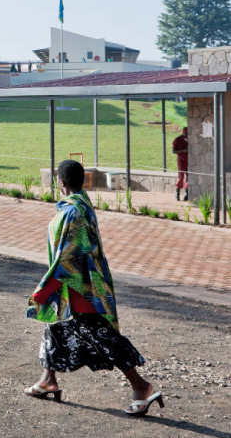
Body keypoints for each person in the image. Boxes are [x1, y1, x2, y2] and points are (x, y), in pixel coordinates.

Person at [25, 160, 163, 416]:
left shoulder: (72, 212)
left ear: (61, 182)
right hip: (79, 288)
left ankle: (141, 386)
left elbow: (69, 259)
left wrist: (44, 290)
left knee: (106, 340)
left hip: (81, 291)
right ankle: (48, 379)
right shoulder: (80, 205)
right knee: (53, 329)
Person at [173, 127, 189, 201]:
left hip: (189, 161)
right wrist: (183, 151)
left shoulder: (190, 139)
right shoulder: (177, 140)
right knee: (180, 177)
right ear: (183, 133)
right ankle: (177, 193)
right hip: (181, 161)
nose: (187, 135)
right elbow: (174, 151)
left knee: (189, 176)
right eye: (186, 134)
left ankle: (186, 193)